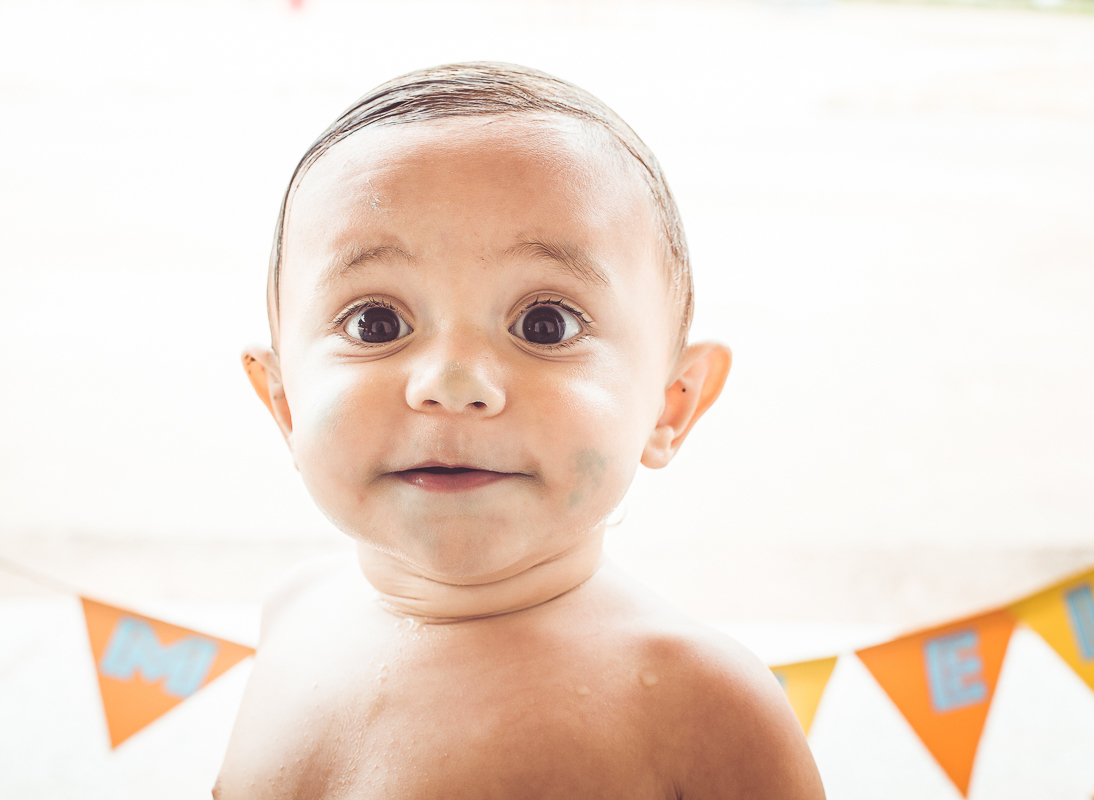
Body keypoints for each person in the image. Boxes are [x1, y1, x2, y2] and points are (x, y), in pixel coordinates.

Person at [216, 62, 825, 799]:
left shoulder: (698, 705)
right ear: (282, 402)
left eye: (546, 324)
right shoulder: (293, 614)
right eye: (376, 323)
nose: (452, 383)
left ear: (671, 406)